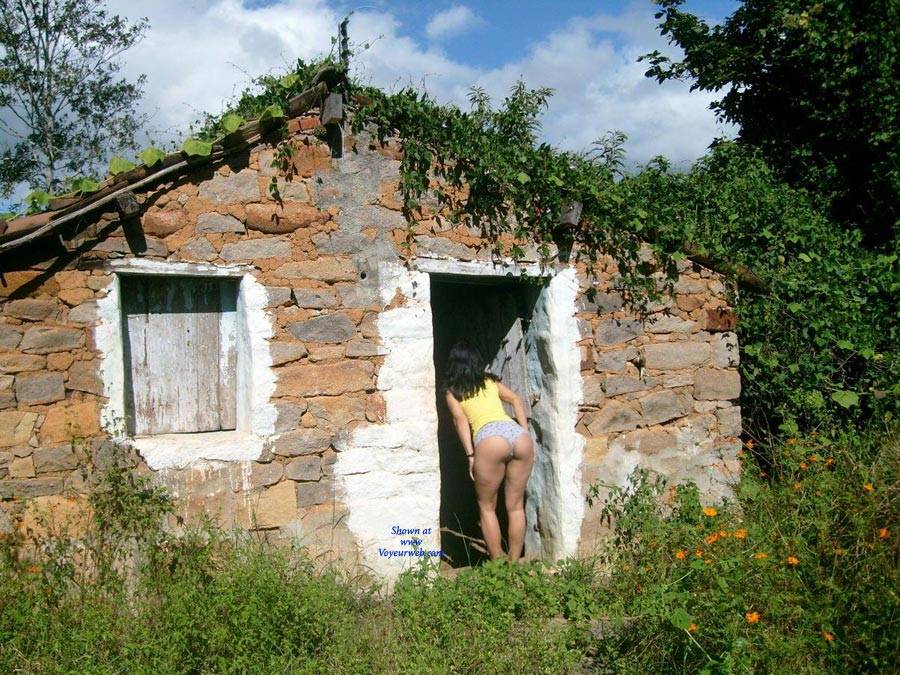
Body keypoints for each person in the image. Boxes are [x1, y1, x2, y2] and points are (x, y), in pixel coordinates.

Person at [443, 340, 535, 562]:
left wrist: (470, 455)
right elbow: (515, 399)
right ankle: (514, 562)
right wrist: (524, 431)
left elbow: (461, 422)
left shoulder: (453, 392)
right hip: (518, 436)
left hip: (490, 439)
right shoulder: (489, 381)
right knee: (515, 506)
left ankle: (498, 563)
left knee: (486, 507)